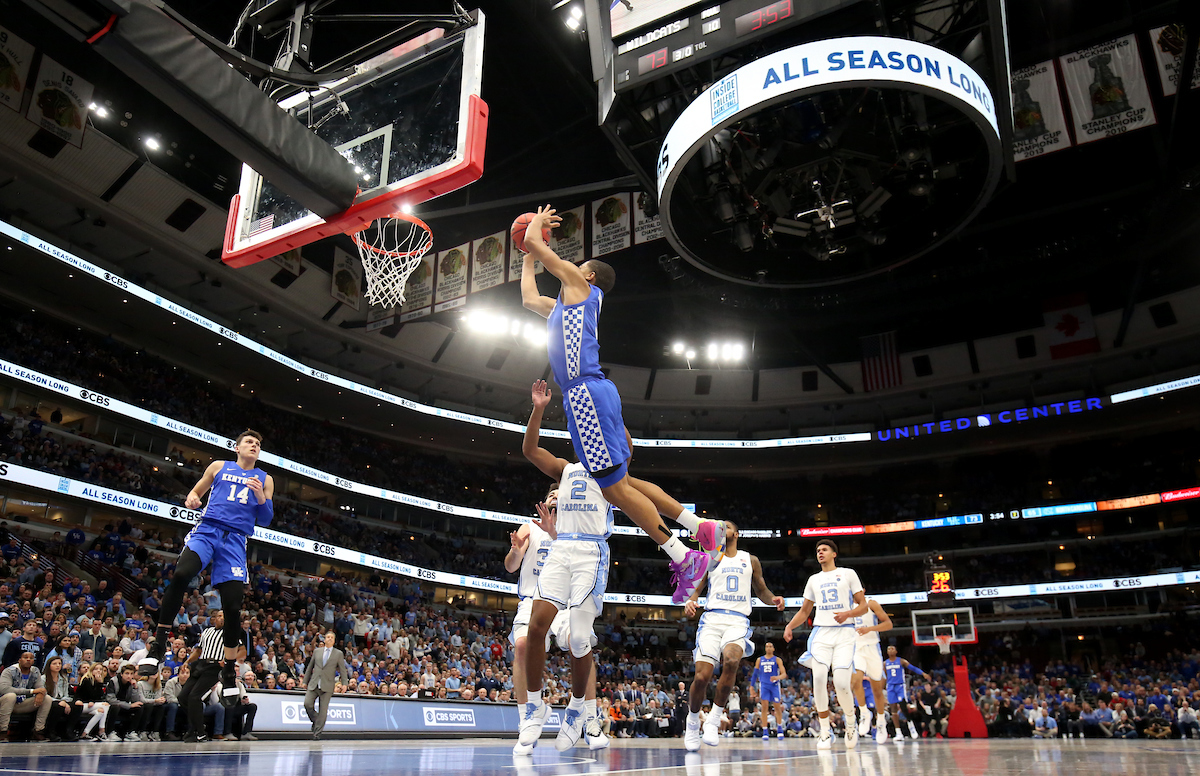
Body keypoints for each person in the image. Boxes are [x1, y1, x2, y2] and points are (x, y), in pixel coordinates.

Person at [519, 213, 725, 603]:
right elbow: (529, 298)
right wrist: (526, 255)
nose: (572, 271)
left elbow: (541, 249)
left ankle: (684, 557)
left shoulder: (580, 286)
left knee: (613, 490)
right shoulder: (566, 306)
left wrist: (534, 229)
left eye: (578, 268)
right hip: (596, 391)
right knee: (621, 482)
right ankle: (699, 527)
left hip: (585, 394)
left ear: (589, 276)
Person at [143, 429, 274, 710]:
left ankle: (227, 669)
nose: (254, 446)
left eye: (258, 444)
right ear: (237, 447)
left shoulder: (265, 479)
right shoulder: (218, 466)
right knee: (180, 575)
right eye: (249, 442)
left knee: (233, 606)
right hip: (208, 530)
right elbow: (196, 491)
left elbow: (265, 520)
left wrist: (260, 497)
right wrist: (191, 498)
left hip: (236, 541)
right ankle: (159, 644)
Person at [504, 484, 606, 755]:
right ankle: (527, 717)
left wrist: (556, 533)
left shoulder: (577, 532)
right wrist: (516, 550)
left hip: (566, 604)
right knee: (523, 645)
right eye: (550, 495)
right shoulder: (530, 527)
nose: (554, 498)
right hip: (532, 599)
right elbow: (511, 566)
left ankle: (591, 719)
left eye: (560, 496)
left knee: (580, 642)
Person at [681, 521, 783, 751]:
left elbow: (762, 589)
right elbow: (698, 587)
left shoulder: (751, 559)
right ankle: (693, 722)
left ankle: (715, 719)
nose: (721, 529)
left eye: (725, 526)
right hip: (712, 619)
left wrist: (773, 599)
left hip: (737, 619)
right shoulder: (710, 558)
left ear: (736, 533)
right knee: (701, 677)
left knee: (732, 660)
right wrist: (691, 600)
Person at [784, 539, 868, 750]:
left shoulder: (848, 574)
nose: (820, 553)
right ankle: (824, 730)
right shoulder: (813, 579)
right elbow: (805, 611)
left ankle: (851, 722)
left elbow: (864, 606)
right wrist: (789, 626)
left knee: (841, 683)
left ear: (834, 554)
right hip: (821, 632)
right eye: (818, 551)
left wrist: (848, 613)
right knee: (819, 678)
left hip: (845, 633)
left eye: (824, 550)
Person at [176, 611, 232, 743]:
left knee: (194, 697)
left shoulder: (231, 633)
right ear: (214, 619)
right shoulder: (207, 631)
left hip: (215, 667)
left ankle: (199, 732)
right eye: (219, 616)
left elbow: (240, 650)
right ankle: (197, 727)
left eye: (224, 616)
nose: (221, 618)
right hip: (201, 663)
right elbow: (198, 650)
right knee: (183, 697)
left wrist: (229, 661)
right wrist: (187, 662)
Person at [848, 597, 893, 744]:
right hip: (856, 648)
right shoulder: (846, 605)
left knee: (877, 690)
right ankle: (864, 712)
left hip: (872, 648)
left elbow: (888, 624)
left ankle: (880, 722)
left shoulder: (871, 603)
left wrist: (869, 629)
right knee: (855, 681)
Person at [302, 629, 349, 740]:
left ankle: (317, 734)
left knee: (323, 710)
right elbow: (310, 667)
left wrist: (344, 683)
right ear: (324, 639)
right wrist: (305, 681)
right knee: (307, 704)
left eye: (332, 638)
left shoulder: (338, 653)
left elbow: (343, 670)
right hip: (314, 682)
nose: (329, 639)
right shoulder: (317, 651)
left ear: (334, 641)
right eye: (328, 637)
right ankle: (316, 720)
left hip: (327, 685)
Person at [0, 650, 50, 740]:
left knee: (47, 698)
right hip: (6, 703)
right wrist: (32, 691)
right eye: (25, 658)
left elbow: (41, 689)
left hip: (23, 703)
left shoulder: (35, 671)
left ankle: (38, 731)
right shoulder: (9, 671)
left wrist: (40, 694)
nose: (28, 660)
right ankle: (3, 731)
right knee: (11, 696)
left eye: (31, 658)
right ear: (19, 660)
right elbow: (4, 689)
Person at [882, 645, 926, 740]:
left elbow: (913, 668)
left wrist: (922, 673)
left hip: (900, 686)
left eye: (892, 648)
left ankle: (912, 728)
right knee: (893, 710)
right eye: (888, 648)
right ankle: (898, 733)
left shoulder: (901, 661)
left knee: (903, 706)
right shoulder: (885, 664)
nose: (890, 650)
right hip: (890, 687)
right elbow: (884, 676)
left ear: (896, 651)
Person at [751, 642, 788, 741]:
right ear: (765, 648)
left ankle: (780, 729)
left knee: (777, 707)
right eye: (766, 646)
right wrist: (751, 686)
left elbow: (784, 674)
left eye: (770, 646)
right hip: (764, 685)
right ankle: (765, 731)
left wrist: (778, 677)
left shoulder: (777, 659)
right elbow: (755, 674)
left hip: (775, 685)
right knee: (764, 708)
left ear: (773, 649)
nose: (768, 648)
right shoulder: (760, 660)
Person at [41, 655, 80, 741]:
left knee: (78, 704)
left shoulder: (63, 678)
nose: (58, 665)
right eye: (54, 663)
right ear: (49, 665)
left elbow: (66, 695)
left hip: (62, 700)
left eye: (59, 663)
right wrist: (61, 702)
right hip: (48, 701)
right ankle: (51, 732)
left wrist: (65, 702)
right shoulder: (43, 678)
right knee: (59, 705)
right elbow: (45, 696)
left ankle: (68, 731)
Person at [75, 662, 111, 741]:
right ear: (91, 670)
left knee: (101, 712)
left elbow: (99, 697)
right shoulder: (87, 680)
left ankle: (85, 733)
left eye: (100, 669)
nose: (99, 671)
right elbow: (90, 695)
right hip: (81, 705)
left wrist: (99, 683)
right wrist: (99, 684)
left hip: (90, 705)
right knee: (106, 706)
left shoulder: (98, 681)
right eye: (96, 669)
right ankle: (102, 730)